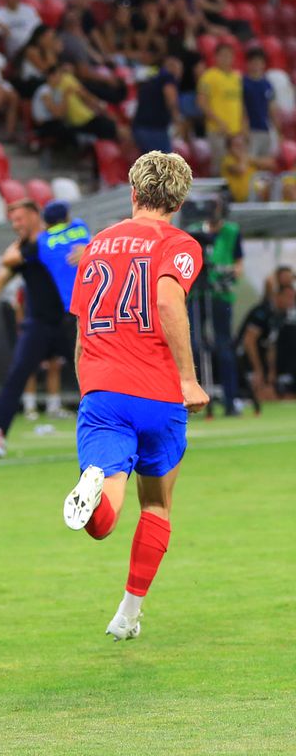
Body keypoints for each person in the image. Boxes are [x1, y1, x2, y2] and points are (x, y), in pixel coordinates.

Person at [62, 150, 208, 642]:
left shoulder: (97, 245)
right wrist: (188, 378)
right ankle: (126, 615)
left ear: (133, 192)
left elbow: (81, 328)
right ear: (180, 199)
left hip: (104, 391)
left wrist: (89, 386)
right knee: (157, 507)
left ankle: (94, 480)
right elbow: (167, 298)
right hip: (159, 394)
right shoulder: (178, 243)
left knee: (103, 521)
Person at [0, 200, 89, 457]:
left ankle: (119, 427)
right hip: (38, 324)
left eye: (20, 219)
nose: (16, 225)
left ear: (36, 216)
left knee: (94, 371)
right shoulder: (25, 250)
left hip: (71, 321)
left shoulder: (65, 237)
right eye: (12, 221)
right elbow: (1, 277)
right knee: (17, 374)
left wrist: (90, 251)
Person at [188, 200, 243, 415]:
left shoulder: (231, 231)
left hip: (220, 294)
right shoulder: (194, 232)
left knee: (224, 346)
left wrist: (227, 272)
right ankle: (193, 398)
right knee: (193, 345)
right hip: (197, 294)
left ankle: (231, 400)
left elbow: (238, 266)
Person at [237, 283, 295, 404]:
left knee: (273, 392)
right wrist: (257, 369)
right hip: (245, 359)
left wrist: (271, 371)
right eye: (288, 297)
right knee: (263, 394)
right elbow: (249, 341)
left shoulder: (281, 315)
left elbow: (271, 345)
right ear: (278, 296)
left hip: (261, 359)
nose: (291, 302)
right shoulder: (262, 312)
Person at [197, 43, 245, 173]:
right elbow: (201, 102)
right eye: (222, 55)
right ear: (216, 57)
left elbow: (240, 103)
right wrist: (218, 122)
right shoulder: (209, 76)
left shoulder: (237, 77)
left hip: (235, 131)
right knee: (219, 165)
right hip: (217, 130)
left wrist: (243, 124)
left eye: (229, 55)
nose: (226, 58)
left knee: (235, 166)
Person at [132, 56, 184, 154]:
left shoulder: (152, 79)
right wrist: (178, 120)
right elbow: (171, 100)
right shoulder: (168, 77)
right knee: (165, 163)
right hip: (154, 129)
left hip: (140, 127)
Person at [242, 48, 277, 161]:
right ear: (248, 64)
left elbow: (271, 109)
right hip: (250, 130)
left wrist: (278, 130)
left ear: (264, 64)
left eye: (259, 62)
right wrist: (244, 128)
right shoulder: (243, 83)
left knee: (265, 163)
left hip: (265, 129)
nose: (256, 65)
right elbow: (241, 107)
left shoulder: (267, 84)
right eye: (253, 62)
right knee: (250, 161)